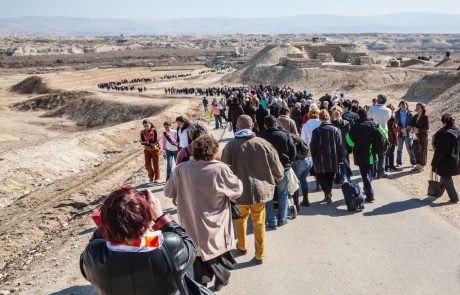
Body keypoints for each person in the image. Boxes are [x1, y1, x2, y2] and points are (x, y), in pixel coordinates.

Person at [80, 187, 199, 295]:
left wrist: (109, 219)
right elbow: (190, 246)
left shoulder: (94, 254)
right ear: (146, 219)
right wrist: (160, 217)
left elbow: (86, 268)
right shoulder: (169, 246)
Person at [165, 134, 243, 290]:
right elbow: (237, 190)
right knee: (216, 252)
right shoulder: (220, 169)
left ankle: (205, 286)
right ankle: (222, 277)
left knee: (199, 256)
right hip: (216, 222)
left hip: (191, 221)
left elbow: (168, 191)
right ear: (213, 151)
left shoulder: (181, 168)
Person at [222, 115, 284, 264]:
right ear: (252, 126)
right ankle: (260, 254)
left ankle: (242, 246)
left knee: (241, 219)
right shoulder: (263, 143)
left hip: (239, 193)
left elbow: (223, 170)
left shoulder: (230, 147)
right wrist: (279, 175)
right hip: (259, 191)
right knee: (258, 222)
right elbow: (276, 166)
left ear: (237, 126)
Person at [260, 116, 296, 229]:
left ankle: (272, 221)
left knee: (268, 196)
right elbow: (293, 152)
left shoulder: (260, 137)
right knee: (283, 194)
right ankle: (282, 219)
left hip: (266, 170)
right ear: (275, 124)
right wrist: (288, 162)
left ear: (265, 125)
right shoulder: (285, 135)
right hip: (283, 168)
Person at [346, 108, 382, 202]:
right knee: (369, 172)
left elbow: (349, 140)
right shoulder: (373, 124)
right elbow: (381, 137)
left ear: (358, 115)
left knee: (364, 173)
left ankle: (369, 193)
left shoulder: (355, 126)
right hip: (371, 153)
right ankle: (367, 189)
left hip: (360, 153)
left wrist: (350, 149)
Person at [310, 110, 344, 204]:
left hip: (320, 158)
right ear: (328, 118)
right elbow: (340, 145)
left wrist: (313, 157)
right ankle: (328, 194)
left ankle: (327, 193)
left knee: (320, 176)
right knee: (330, 177)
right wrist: (341, 158)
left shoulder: (316, 131)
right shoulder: (336, 130)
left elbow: (313, 146)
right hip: (333, 157)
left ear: (320, 118)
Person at [431, 114, 460, 203]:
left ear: (444, 122)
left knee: (446, 177)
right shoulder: (457, 130)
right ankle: (439, 192)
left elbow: (440, 150)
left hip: (446, 161)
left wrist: (434, 162)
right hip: (456, 159)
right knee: (444, 176)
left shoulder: (445, 133)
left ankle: (454, 198)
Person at [367, 94, 392, 178]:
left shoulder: (372, 108)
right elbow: (388, 118)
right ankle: (381, 172)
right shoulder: (388, 110)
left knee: (373, 153)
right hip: (383, 133)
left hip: (373, 133)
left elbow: (368, 117)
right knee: (382, 154)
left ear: (377, 100)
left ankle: (373, 172)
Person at [291, 133, 313, 207]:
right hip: (309, 159)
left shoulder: (289, 137)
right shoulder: (296, 136)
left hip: (300, 161)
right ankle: (305, 200)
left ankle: (296, 205)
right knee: (303, 179)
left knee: (295, 182)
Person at [331, 108, 351, 184]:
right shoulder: (347, 123)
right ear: (341, 113)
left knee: (336, 162)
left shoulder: (332, 124)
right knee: (345, 162)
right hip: (345, 145)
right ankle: (345, 177)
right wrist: (350, 146)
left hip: (335, 146)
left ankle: (338, 177)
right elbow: (349, 136)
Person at [395, 101, 416, 168]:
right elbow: (396, 123)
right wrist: (401, 128)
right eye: (401, 105)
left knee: (410, 148)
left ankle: (413, 162)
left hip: (408, 133)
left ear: (407, 106)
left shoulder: (411, 114)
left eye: (404, 105)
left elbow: (413, 123)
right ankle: (399, 163)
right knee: (399, 149)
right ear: (399, 106)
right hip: (400, 133)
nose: (403, 106)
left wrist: (408, 128)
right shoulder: (396, 113)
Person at [411, 103, 429, 173]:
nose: (417, 108)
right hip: (415, 135)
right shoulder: (415, 116)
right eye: (416, 107)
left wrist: (418, 129)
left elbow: (426, 127)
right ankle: (417, 165)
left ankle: (422, 166)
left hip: (423, 136)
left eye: (419, 107)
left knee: (423, 151)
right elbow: (411, 123)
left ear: (422, 108)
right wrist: (413, 127)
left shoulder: (425, 117)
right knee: (416, 149)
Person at [386, 104, 399, 172]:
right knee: (387, 153)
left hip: (393, 137)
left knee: (392, 152)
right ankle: (386, 166)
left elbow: (397, 128)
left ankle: (391, 165)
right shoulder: (386, 118)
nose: (391, 112)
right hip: (388, 137)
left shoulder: (394, 119)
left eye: (392, 111)